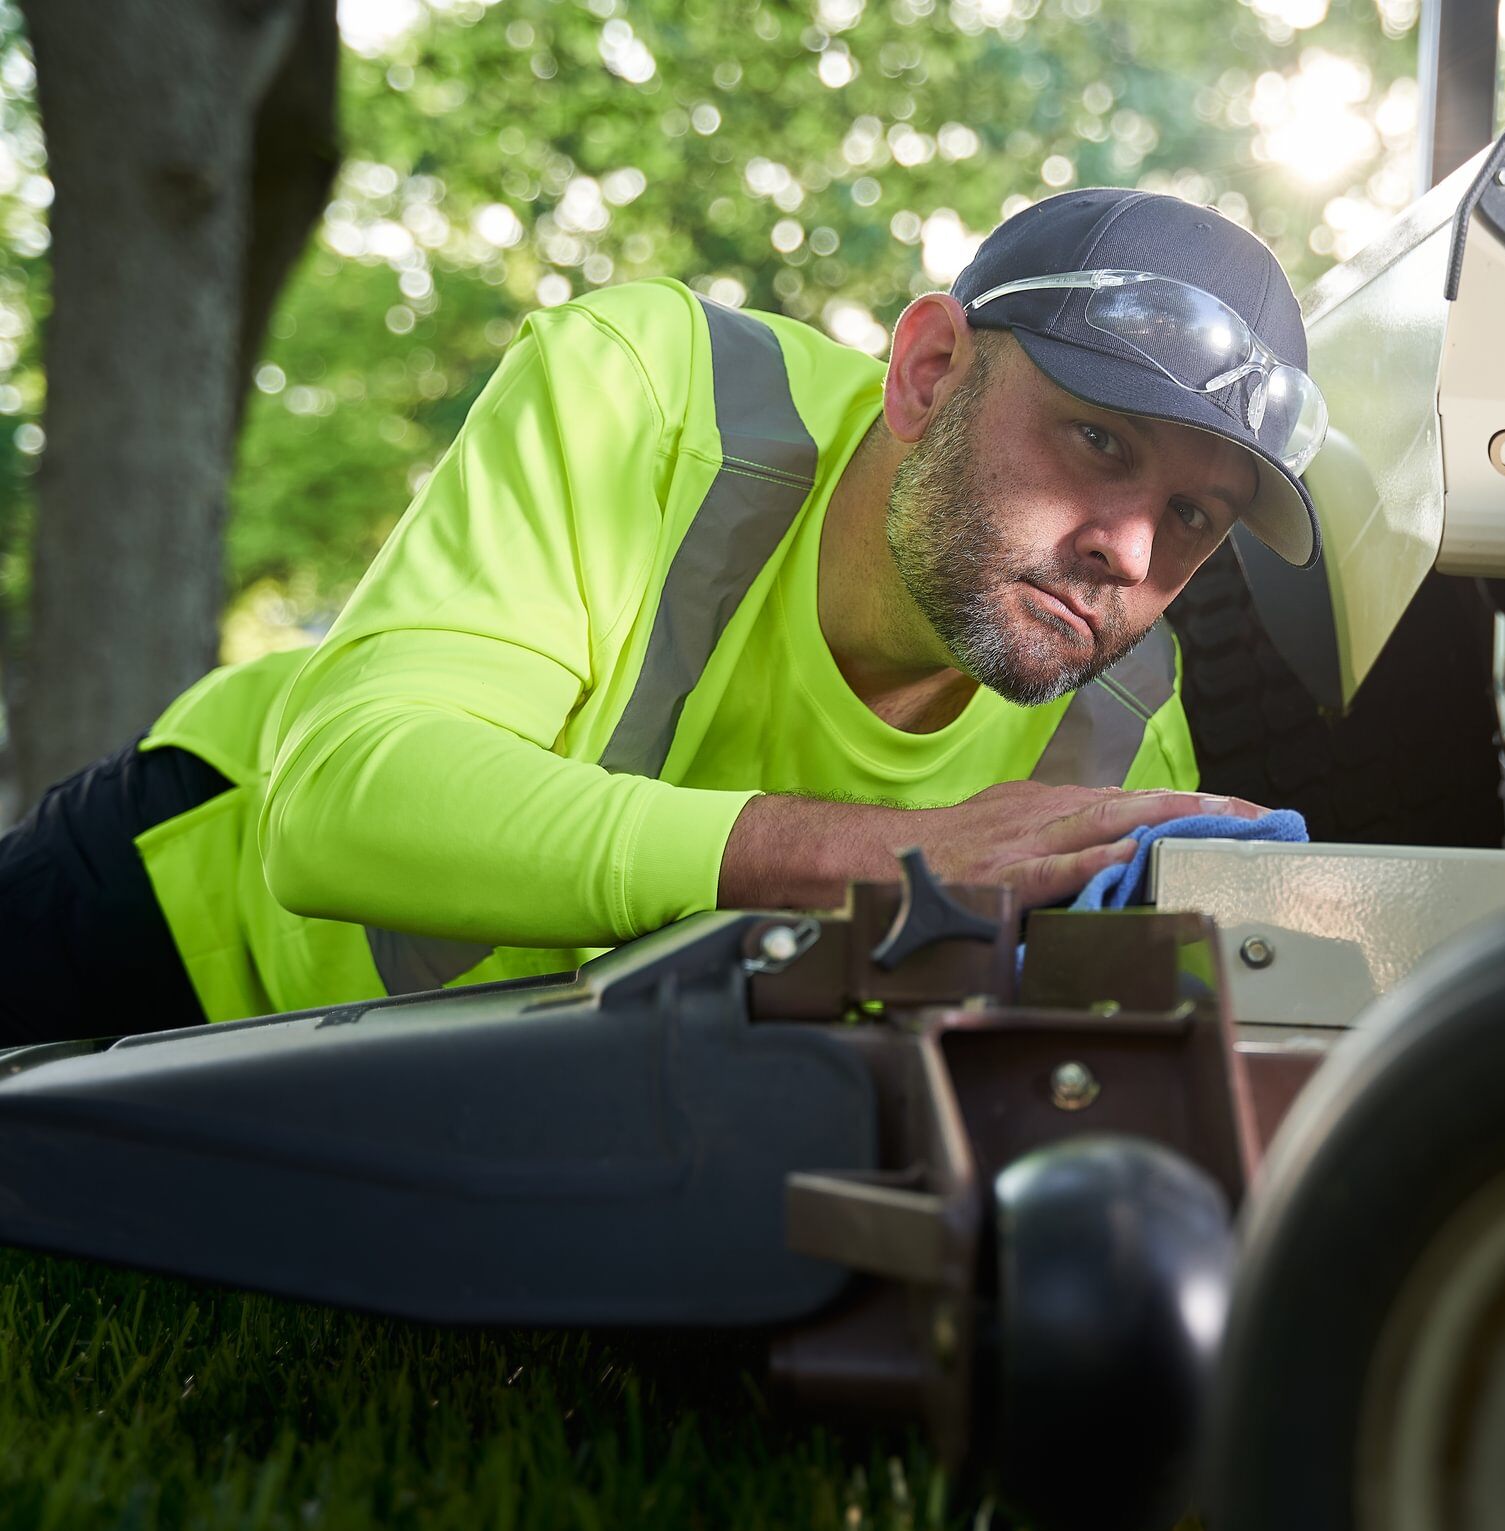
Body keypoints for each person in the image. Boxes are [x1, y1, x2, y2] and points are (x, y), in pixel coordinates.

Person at [0, 187, 1327, 1046]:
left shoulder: (1128, 727)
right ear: (929, 372)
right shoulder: (655, 392)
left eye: (1199, 517)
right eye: (1098, 440)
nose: (1130, 552)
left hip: (499, 1102)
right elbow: (342, 804)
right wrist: (899, 859)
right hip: (179, 936)